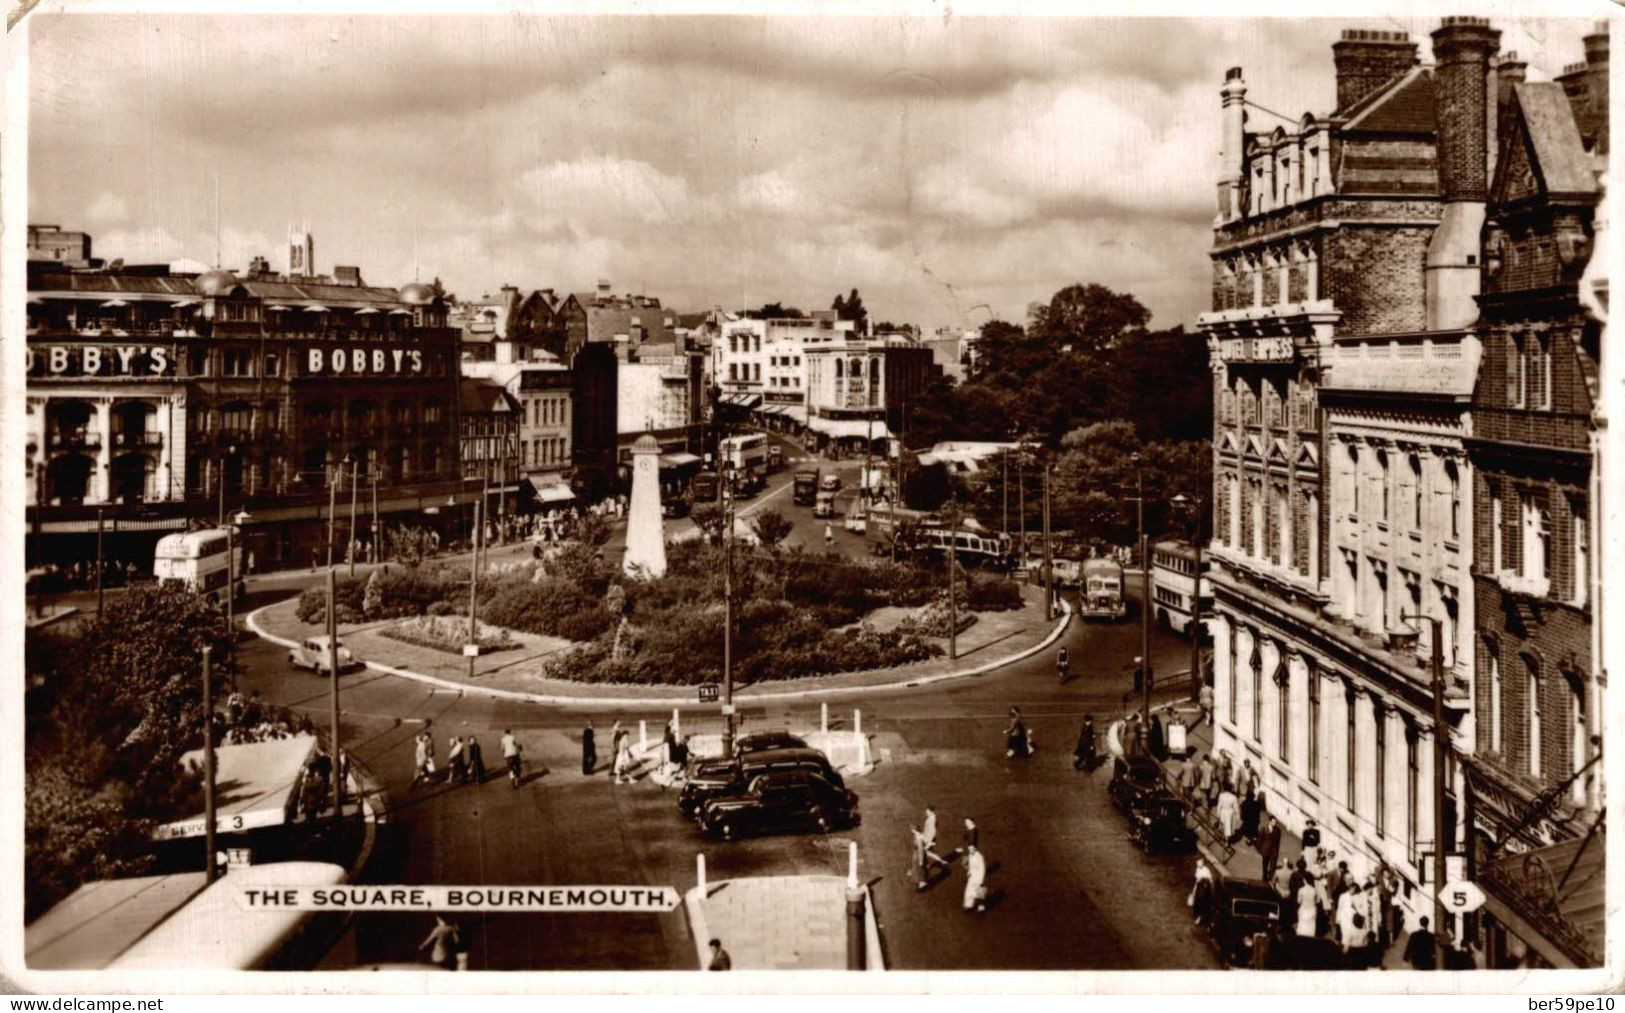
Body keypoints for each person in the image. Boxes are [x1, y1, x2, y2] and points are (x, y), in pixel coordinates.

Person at [1188, 858, 1215, 927]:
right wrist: (1194, 890)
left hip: (1204, 890)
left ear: (1202, 863)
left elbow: (1210, 881)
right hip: (1198, 888)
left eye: (1199, 863)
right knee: (1196, 901)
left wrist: (1211, 889)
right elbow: (1197, 880)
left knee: (1202, 903)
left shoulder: (1206, 871)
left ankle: (1200, 917)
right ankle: (1197, 914)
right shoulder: (1198, 869)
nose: (1198, 864)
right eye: (1197, 863)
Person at [962, 843, 988, 913]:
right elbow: (970, 867)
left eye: (972, 849)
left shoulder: (979, 857)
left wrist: (981, 880)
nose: (971, 850)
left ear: (975, 848)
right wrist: (965, 866)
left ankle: (980, 907)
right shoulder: (970, 855)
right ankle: (968, 906)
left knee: (975, 892)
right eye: (969, 849)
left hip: (978, 878)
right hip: (972, 877)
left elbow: (982, 869)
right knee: (969, 892)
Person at [1257, 811, 1282, 883]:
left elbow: (1278, 842)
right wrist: (1260, 850)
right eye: (1273, 821)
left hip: (1273, 851)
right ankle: (1264, 879)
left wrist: (1277, 852)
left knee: (1272, 867)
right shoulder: (1264, 828)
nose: (1275, 823)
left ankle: (1271, 880)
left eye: (1275, 822)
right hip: (1265, 850)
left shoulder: (1277, 830)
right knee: (1265, 866)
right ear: (1270, 821)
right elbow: (1260, 840)